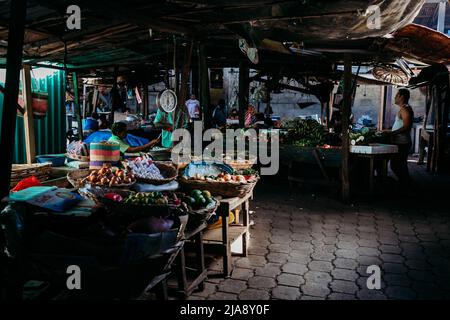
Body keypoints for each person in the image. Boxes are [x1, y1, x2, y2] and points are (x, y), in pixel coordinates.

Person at [385, 88, 414, 184]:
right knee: (398, 165)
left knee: (397, 165)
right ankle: (405, 184)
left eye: (397, 95)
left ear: (402, 97)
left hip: (403, 143)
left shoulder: (405, 109)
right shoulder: (403, 108)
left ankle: (407, 185)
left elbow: (406, 127)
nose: (395, 97)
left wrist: (392, 133)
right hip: (400, 142)